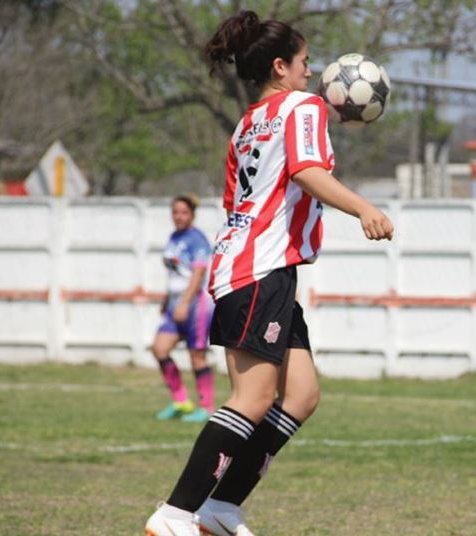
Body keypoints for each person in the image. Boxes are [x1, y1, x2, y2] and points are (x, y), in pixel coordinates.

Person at [145, 10, 394, 536]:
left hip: (254, 266)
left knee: (300, 394)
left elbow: (238, 200)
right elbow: (307, 172)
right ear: (280, 67)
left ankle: (222, 506)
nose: (311, 73)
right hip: (259, 269)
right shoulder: (301, 106)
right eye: (304, 63)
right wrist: (363, 209)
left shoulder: (248, 123)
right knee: (253, 398)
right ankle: (175, 513)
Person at [153, 194, 216, 423]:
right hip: (174, 303)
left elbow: (198, 275)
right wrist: (166, 300)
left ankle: (206, 407)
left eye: (184, 212)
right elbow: (175, 274)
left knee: (196, 356)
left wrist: (184, 303)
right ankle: (181, 401)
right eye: (175, 212)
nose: (179, 216)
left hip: (195, 304)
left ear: (192, 214)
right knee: (160, 349)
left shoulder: (197, 239)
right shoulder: (174, 237)